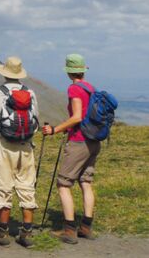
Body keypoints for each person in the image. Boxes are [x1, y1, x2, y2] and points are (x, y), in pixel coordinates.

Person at [42, 54, 100, 244]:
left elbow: (76, 117)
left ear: (68, 72)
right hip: (94, 141)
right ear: (83, 70)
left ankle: (69, 230)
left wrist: (55, 130)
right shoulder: (91, 88)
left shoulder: (74, 88)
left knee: (64, 184)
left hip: (79, 141)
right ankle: (86, 227)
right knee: (86, 182)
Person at [0, 56, 39, 248]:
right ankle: (26, 233)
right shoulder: (30, 93)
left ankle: (2, 232)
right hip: (26, 145)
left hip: (3, 144)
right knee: (26, 186)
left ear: (4, 72)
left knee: (3, 185)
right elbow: (36, 120)